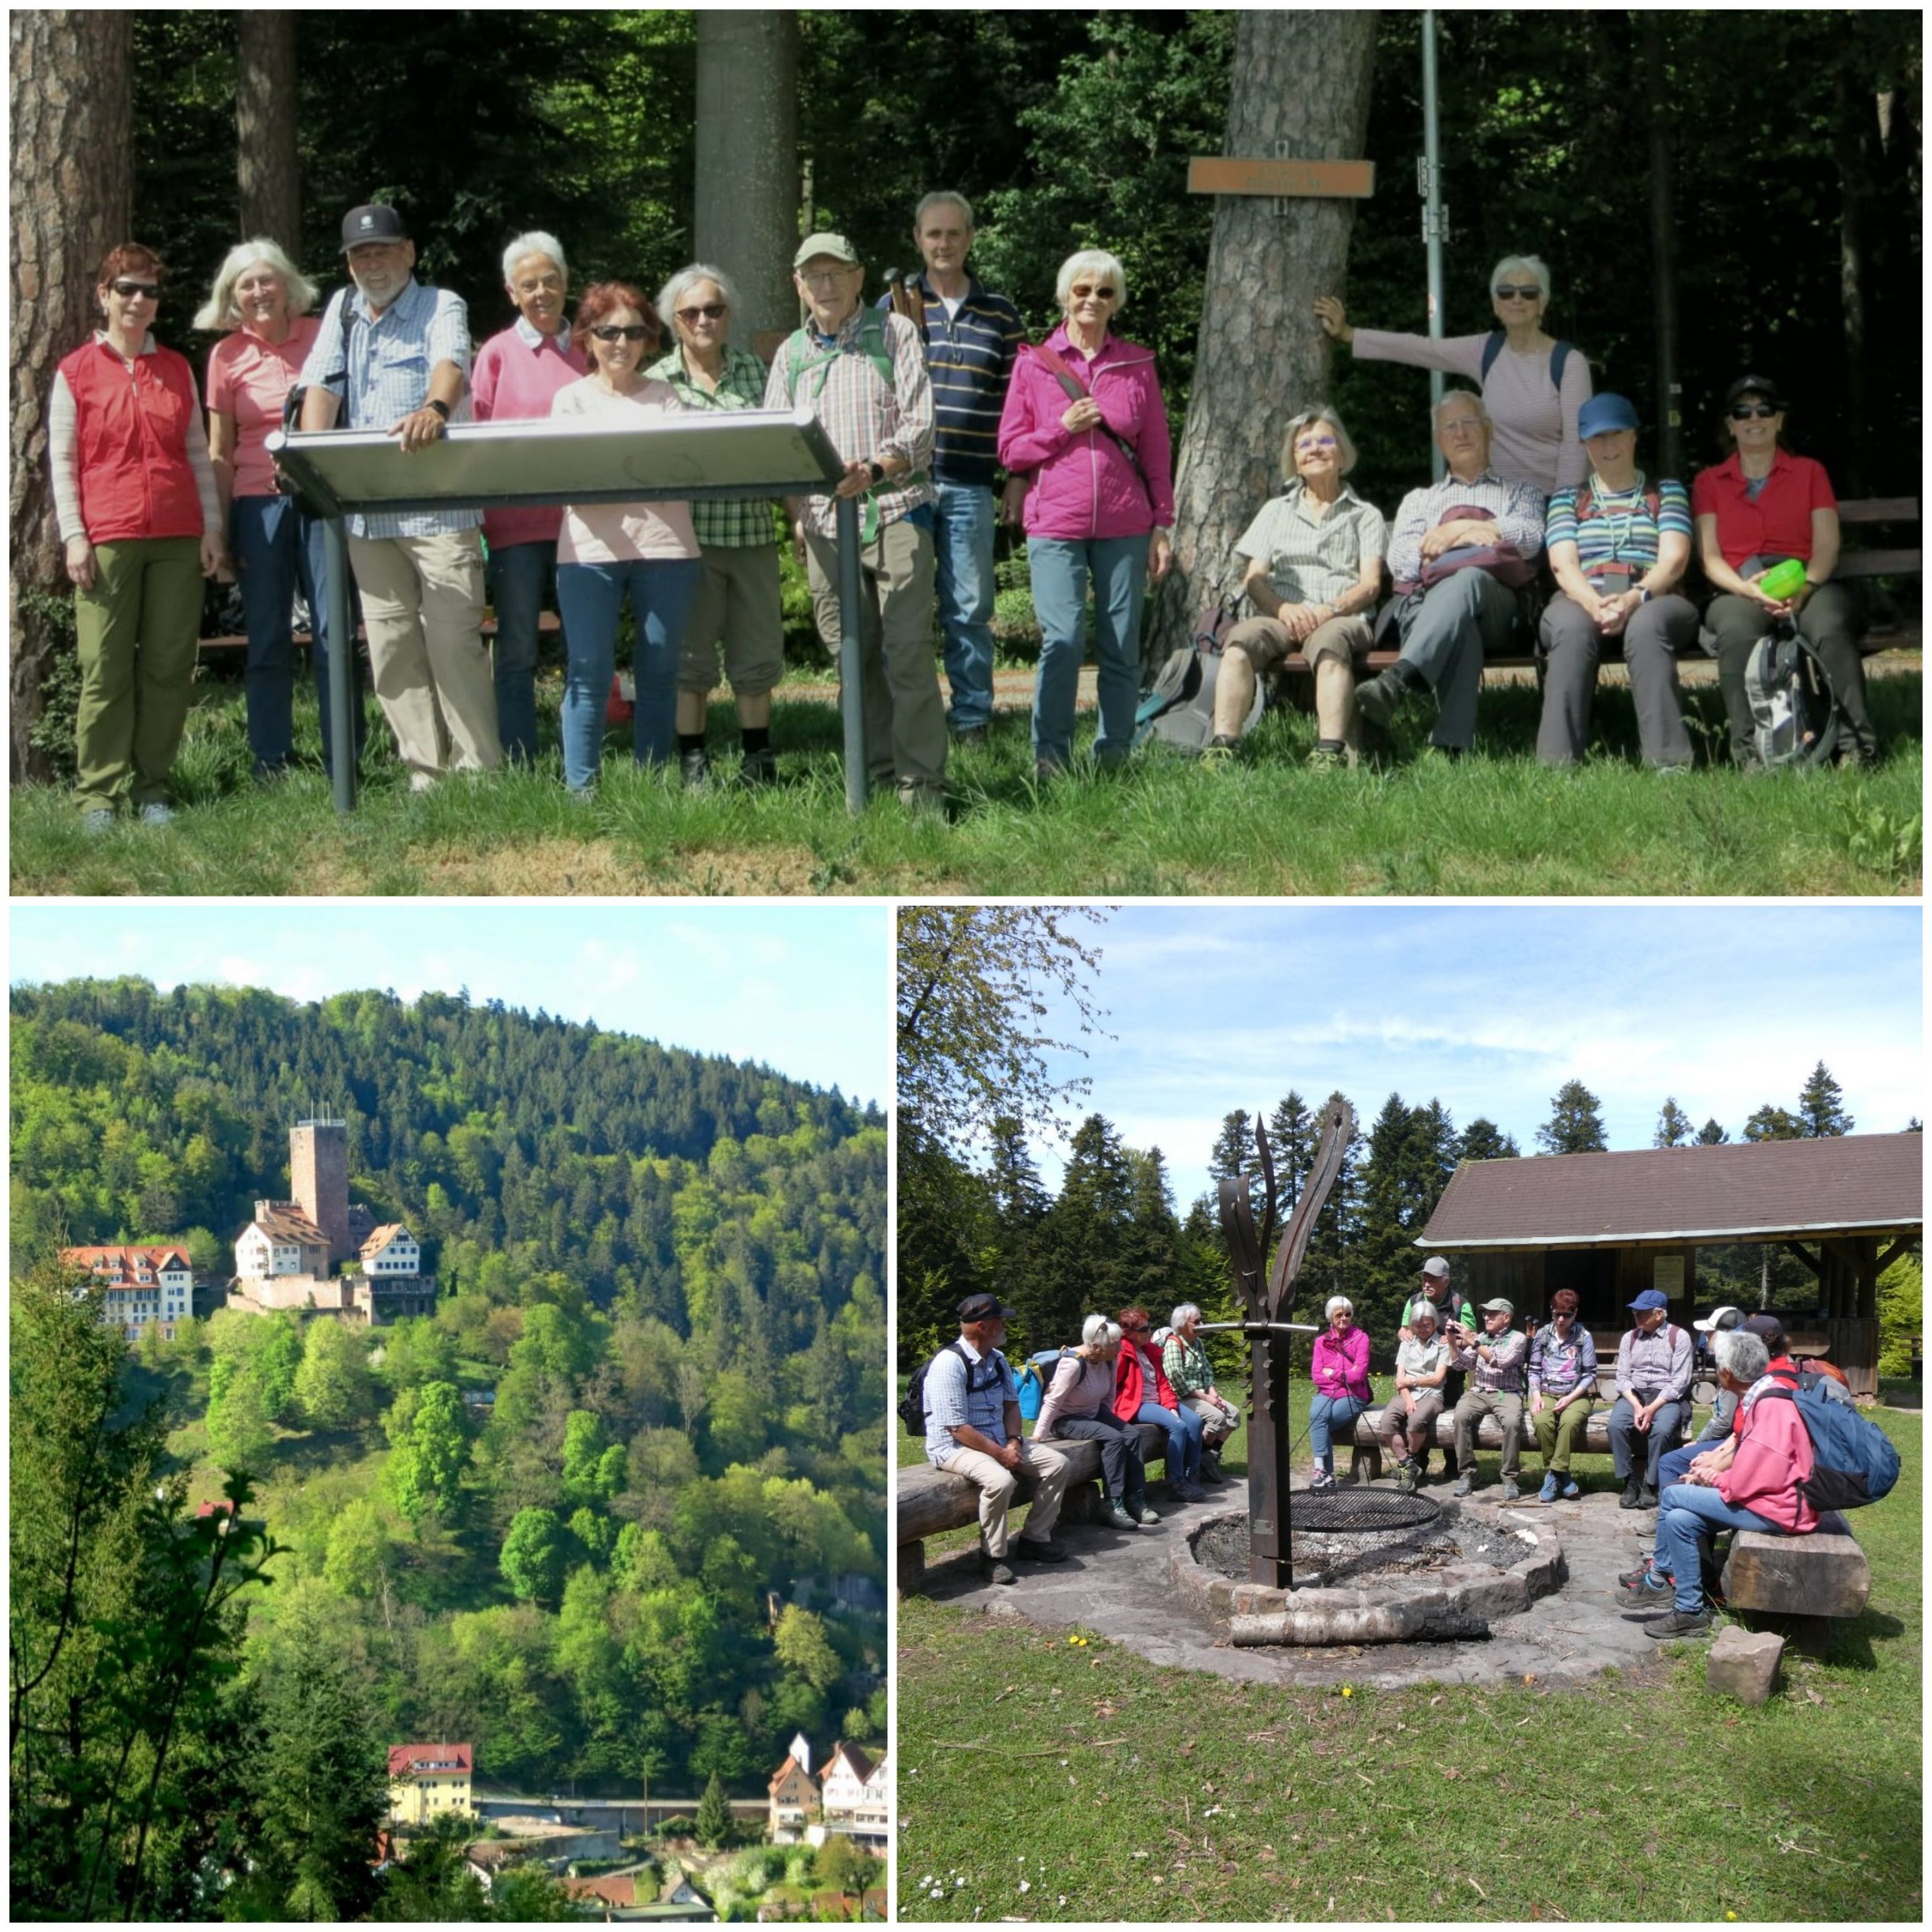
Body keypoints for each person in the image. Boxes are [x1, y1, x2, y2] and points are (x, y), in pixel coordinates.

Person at [297, 203, 501, 788]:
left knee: (452, 641)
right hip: (367, 513)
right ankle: (424, 774)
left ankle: (480, 772)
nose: (371, 263)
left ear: (409, 252)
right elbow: (320, 384)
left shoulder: (442, 303)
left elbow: (451, 364)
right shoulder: (341, 309)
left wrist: (435, 409)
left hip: (441, 505)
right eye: (360, 254)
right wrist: (315, 460)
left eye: (382, 250)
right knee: (389, 645)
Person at [764, 232, 945, 812]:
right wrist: (799, 514)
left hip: (896, 511)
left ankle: (922, 790)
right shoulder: (791, 354)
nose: (825, 285)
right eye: (813, 276)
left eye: (836, 273)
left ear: (858, 277)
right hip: (822, 527)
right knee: (852, 657)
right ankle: (872, 781)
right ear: (798, 285)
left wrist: (873, 468)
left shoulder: (896, 333)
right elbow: (775, 445)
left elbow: (921, 427)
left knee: (910, 653)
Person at [51, 243, 228, 829]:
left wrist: (212, 527)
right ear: (103, 295)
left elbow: (199, 455)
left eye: (149, 290)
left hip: (179, 535)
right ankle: (97, 794)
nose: (138, 300)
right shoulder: (75, 372)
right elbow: (62, 460)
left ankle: (152, 789)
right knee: (104, 667)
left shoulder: (176, 368)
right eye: (126, 288)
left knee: (168, 666)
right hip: (107, 536)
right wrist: (75, 535)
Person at [996, 248, 1175, 776]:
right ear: (1064, 296)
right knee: (1064, 639)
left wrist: (1161, 523)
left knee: (1121, 644)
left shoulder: (1138, 364)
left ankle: (1113, 755)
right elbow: (1010, 451)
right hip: (1054, 521)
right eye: (1082, 290)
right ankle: (1049, 757)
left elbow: (1157, 452)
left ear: (1116, 300)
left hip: (1126, 523)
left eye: (1104, 291)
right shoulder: (1034, 363)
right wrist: (1063, 428)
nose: (1092, 299)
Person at [197, 237, 364, 782]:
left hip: (320, 499)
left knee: (333, 631)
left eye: (267, 279)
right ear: (232, 296)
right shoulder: (225, 356)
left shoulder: (321, 335)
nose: (259, 291)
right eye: (246, 284)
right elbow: (219, 452)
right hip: (256, 505)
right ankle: (271, 761)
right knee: (265, 637)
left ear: (287, 284)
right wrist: (217, 528)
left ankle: (345, 758)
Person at [883, 192, 1025, 749]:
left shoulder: (1000, 312)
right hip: (904, 483)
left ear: (970, 238)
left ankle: (972, 720)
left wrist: (1016, 475)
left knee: (969, 606)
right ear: (917, 239)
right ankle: (908, 718)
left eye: (953, 234)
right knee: (906, 609)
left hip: (970, 480)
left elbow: (1020, 403)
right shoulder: (890, 306)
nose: (943, 244)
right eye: (932, 234)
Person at [548, 283, 700, 795]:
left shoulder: (668, 398)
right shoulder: (568, 401)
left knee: (659, 671)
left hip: (667, 549)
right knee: (588, 670)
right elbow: (574, 484)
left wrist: (614, 474)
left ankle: (653, 791)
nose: (621, 343)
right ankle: (581, 794)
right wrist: (634, 474)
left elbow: (675, 474)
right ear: (587, 337)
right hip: (588, 554)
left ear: (648, 339)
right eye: (609, 331)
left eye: (634, 332)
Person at [648, 264, 786, 789]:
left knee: (756, 655)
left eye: (714, 309)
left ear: (728, 316)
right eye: (691, 312)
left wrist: (796, 520)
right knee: (692, 659)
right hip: (685, 543)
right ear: (673, 321)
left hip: (752, 535)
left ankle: (758, 761)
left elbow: (780, 457)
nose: (703, 319)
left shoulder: (757, 373)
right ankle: (694, 764)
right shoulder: (656, 383)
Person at [1692, 374, 1875, 766]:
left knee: (1828, 626)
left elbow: (1827, 546)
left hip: (1809, 582)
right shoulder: (1709, 482)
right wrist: (1747, 590)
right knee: (1736, 631)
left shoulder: (1810, 473)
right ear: (1730, 424)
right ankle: (1749, 755)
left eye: (1764, 409)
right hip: (1742, 587)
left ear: (1779, 420)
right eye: (1742, 411)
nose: (1753, 418)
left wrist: (1806, 589)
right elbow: (1710, 557)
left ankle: (1855, 746)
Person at [1354, 391, 1546, 757]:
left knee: (1469, 578)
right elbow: (1403, 564)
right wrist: (1482, 536)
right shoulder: (1419, 500)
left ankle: (1398, 681)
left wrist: (1452, 532)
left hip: (1499, 609)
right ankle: (1451, 747)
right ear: (1439, 440)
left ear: (1488, 430)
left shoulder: (1522, 491)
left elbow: (1532, 540)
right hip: (1425, 607)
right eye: (1450, 427)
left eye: (1469, 423)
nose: (1460, 433)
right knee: (1463, 622)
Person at [1314, 251, 1592, 492]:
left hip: (1555, 502)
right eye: (1506, 292)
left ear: (1543, 303)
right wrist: (1349, 334)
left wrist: (1563, 507)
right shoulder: (1486, 350)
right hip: (1501, 500)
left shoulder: (1568, 362)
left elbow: (1576, 444)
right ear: (1496, 304)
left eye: (1528, 293)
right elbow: (1421, 349)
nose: (1517, 299)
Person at [469, 231, 588, 766]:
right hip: (514, 528)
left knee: (583, 649)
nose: (541, 292)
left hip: (583, 527)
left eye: (550, 280)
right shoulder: (495, 353)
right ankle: (518, 758)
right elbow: (474, 438)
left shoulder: (590, 348)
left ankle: (580, 757)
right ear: (511, 292)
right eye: (528, 285)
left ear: (566, 283)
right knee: (517, 649)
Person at [1618, 1327, 1818, 1638]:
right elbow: (1746, 1461)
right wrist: (1709, 1468)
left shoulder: (1771, 1407)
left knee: (1672, 1496)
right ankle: (1689, 1610)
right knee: (1680, 1520)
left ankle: (1657, 1580)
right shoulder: (1761, 1396)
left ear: (1726, 1373)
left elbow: (1752, 1480)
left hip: (1781, 1509)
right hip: (1770, 1501)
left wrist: (1708, 1477)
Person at [1213, 406, 1386, 766]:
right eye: (1303, 445)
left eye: (1325, 440)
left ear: (1342, 453)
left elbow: (1370, 584)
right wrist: (1283, 609)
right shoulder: (1276, 511)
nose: (1315, 449)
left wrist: (1329, 610)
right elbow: (1254, 579)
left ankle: (1329, 752)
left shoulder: (1364, 514)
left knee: (1329, 641)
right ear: (1295, 460)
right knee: (1239, 642)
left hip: (1342, 614)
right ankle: (1224, 747)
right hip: (1285, 614)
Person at [1536, 392, 1697, 769]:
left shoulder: (1667, 492)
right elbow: (1562, 565)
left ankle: (1669, 762)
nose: (1608, 446)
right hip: (1581, 596)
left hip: (1655, 596)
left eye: (1616, 434)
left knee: (1646, 625)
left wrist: (1633, 598)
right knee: (1571, 628)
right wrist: (1595, 604)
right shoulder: (1565, 498)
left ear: (1634, 436)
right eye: (1597, 438)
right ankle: (1557, 766)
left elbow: (1674, 560)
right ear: (1585, 444)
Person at [923, 1293, 1074, 1584]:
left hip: (998, 1438)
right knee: (1000, 1481)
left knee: (1058, 1464)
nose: (1006, 1326)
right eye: (1000, 1321)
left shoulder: (998, 1359)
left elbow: (1011, 1405)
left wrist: (1014, 1441)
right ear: (983, 1326)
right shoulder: (948, 1364)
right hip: (954, 1446)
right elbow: (956, 1428)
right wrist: (1000, 1454)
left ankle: (1035, 1539)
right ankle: (992, 1557)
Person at [1035, 1315, 1158, 1531]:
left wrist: (1108, 1419)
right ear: (1095, 1346)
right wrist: (1038, 1436)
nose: (1119, 1348)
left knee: (1132, 1435)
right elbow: (1052, 1402)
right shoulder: (1072, 1364)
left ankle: (1135, 1498)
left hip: (1093, 1412)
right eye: (1114, 1344)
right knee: (1114, 1439)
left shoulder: (1109, 1360)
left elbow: (1109, 1396)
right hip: (1066, 1419)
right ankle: (1113, 1504)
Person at [1607, 1288, 1693, 1510]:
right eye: (1635, 1312)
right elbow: (1623, 1378)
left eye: (1642, 1312)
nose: (1637, 1316)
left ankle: (1651, 1484)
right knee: (1616, 1425)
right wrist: (1637, 1406)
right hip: (1634, 1395)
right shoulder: (1630, 1338)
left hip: (1665, 1397)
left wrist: (1652, 1408)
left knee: (1663, 1430)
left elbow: (1680, 1382)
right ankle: (1629, 1482)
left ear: (1660, 1314)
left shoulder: (1679, 1337)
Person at [1112, 1306, 1206, 1502]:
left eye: (1149, 1328)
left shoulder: (1150, 1352)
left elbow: (1163, 1383)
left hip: (1158, 1400)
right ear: (1128, 1333)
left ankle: (1192, 1475)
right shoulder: (1121, 1354)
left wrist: (1171, 1405)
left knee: (1196, 1422)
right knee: (1178, 1427)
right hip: (1138, 1403)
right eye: (1144, 1330)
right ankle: (1176, 1483)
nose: (1149, 1332)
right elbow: (1112, 1387)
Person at [1398, 1257, 1476, 1481]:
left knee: (1451, 1418)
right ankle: (1419, 1464)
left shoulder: (1461, 1304)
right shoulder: (1414, 1301)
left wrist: (1452, 1340)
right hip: (1419, 1375)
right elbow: (1403, 1330)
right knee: (1416, 1417)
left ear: (1446, 1281)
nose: (1426, 1284)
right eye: (1424, 1278)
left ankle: (1452, 1466)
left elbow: (1470, 1337)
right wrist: (1402, 1333)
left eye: (1432, 1279)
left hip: (1451, 1377)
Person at [1449, 1299, 1528, 1500]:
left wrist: (1473, 1342)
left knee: (1511, 1422)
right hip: (1480, 1391)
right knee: (1460, 1416)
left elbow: (1499, 1362)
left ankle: (1510, 1479)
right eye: (1485, 1314)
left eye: (1492, 1314)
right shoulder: (1482, 1337)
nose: (1486, 1317)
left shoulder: (1517, 1338)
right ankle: (1468, 1474)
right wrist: (1452, 1341)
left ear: (1507, 1317)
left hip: (1507, 1392)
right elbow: (1461, 1364)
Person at [1527, 1288, 1598, 1501]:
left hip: (1576, 1394)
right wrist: (1537, 1396)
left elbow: (1590, 1373)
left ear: (1575, 1314)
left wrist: (1571, 1397)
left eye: (1566, 1315)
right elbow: (1534, 1370)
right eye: (1556, 1313)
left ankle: (1552, 1475)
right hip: (1546, 1392)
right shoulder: (1542, 1335)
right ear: (1551, 1311)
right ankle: (1562, 1475)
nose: (1560, 1319)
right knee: (1541, 1421)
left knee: (1569, 1421)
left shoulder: (1584, 1337)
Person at [1160, 1304, 1241, 1480]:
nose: (1202, 1324)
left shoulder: (1197, 1343)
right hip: (1183, 1398)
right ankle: (1196, 1459)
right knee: (1217, 1418)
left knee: (1233, 1414)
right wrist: (1205, 1398)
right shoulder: (1174, 1345)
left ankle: (1208, 1456)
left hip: (1202, 1395)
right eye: (1196, 1322)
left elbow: (1207, 1370)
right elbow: (1176, 1380)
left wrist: (1213, 1393)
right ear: (1182, 1325)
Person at [1381, 1301, 1452, 1493]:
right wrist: (1408, 1399)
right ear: (1412, 1325)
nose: (1422, 1329)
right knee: (1386, 1422)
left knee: (1416, 1420)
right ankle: (1407, 1464)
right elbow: (1399, 1379)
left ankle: (1410, 1460)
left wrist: (1410, 1383)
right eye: (1418, 1325)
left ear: (1434, 1323)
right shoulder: (1407, 1343)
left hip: (1432, 1395)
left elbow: (1437, 1379)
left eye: (1427, 1325)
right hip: (1406, 1394)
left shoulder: (1442, 1344)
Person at [1308, 1296, 1373, 1491]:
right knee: (1317, 1416)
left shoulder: (1361, 1339)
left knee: (1323, 1422)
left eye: (1348, 1314)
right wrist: (1345, 1374)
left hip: (1353, 1395)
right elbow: (1317, 1376)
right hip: (1327, 1392)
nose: (1343, 1318)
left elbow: (1358, 1375)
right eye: (1339, 1315)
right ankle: (1323, 1472)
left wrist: (1334, 1373)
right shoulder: (1321, 1342)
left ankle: (1325, 1476)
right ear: (1331, 1317)